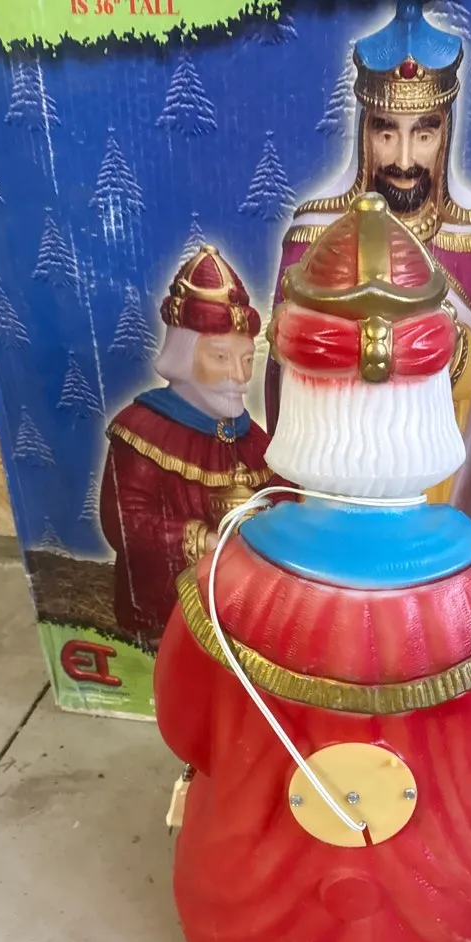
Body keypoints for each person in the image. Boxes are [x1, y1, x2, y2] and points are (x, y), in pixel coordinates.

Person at [155, 194, 471, 942]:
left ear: (297, 395)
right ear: (436, 399)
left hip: (247, 931)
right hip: (458, 934)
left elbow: (184, 732)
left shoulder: (223, 584)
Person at [264, 0, 471, 517]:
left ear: (446, 134)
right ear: (364, 131)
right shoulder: (315, 232)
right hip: (334, 464)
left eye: (424, 133)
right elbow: (283, 373)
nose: (403, 159)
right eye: (386, 131)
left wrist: (448, 352)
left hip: (431, 473)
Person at [99, 246, 274, 647]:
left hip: (242, 600)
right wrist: (203, 541)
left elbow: (280, 497)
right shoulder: (142, 433)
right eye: (220, 357)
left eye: (247, 360)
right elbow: (124, 523)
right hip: (168, 607)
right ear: (183, 355)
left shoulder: (251, 437)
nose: (239, 376)